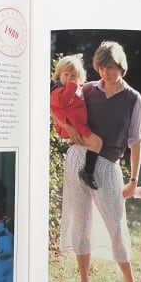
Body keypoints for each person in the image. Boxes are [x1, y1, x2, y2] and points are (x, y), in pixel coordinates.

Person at [57, 40, 141, 282]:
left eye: (110, 67)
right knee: (81, 223)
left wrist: (134, 180)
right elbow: (58, 111)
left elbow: (135, 141)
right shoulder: (87, 90)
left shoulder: (133, 98)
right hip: (77, 159)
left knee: (116, 226)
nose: (105, 73)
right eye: (101, 68)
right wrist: (68, 129)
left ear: (121, 67)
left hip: (107, 166)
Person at [50, 54, 103, 189]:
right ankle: (88, 172)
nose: (69, 79)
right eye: (66, 75)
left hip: (80, 126)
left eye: (73, 76)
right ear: (59, 75)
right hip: (75, 127)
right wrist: (72, 87)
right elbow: (62, 103)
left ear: (79, 77)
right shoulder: (58, 91)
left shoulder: (77, 89)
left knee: (92, 144)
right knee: (97, 142)